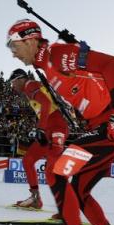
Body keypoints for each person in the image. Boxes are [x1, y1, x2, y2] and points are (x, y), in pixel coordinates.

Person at [7, 19, 114, 225]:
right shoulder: (44, 65)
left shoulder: (57, 55)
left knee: (56, 170)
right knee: (78, 189)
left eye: (13, 45)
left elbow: (111, 64)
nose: (12, 51)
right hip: (103, 126)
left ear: (31, 40)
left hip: (112, 125)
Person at [8, 69, 69, 210]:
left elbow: (47, 104)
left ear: (20, 79)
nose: (13, 86)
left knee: (52, 170)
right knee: (28, 160)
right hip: (50, 128)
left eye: (13, 82)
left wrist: (40, 129)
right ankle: (35, 198)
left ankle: (66, 207)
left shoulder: (29, 85)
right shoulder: (29, 89)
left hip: (57, 127)